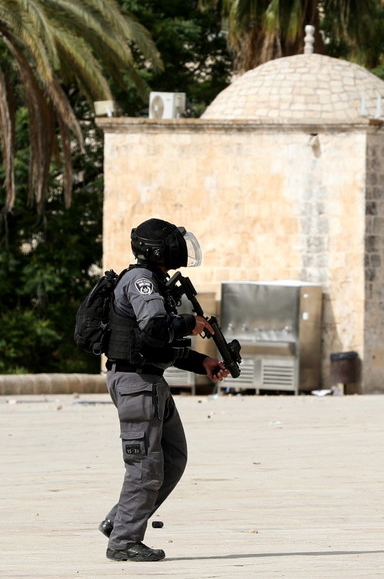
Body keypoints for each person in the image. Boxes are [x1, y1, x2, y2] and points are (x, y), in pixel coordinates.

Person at [97, 218, 230, 562]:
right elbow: (156, 327)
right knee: (145, 466)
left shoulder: (155, 282)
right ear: (157, 250)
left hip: (149, 380)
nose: (180, 249)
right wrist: (191, 322)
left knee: (173, 458)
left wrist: (202, 363)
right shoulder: (140, 281)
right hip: (136, 384)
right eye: (173, 243)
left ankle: (121, 520)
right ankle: (124, 541)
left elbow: (157, 346)